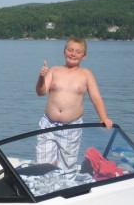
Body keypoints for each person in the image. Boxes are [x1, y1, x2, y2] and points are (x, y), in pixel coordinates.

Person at [35, 37, 113, 169]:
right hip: (48, 124)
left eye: (78, 52)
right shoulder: (54, 70)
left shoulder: (86, 74)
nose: (73, 54)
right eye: (70, 50)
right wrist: (41, 78)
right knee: (42, 165)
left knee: (66, 166)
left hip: (71, 127)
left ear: (84, 56)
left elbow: (96, 97)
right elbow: (41, 92)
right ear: (64, 51)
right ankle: (43, 187)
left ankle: (64, 185)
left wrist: (104, 118)